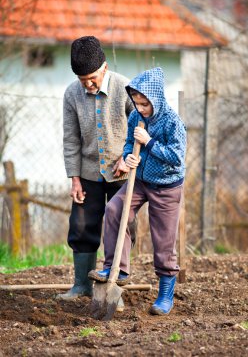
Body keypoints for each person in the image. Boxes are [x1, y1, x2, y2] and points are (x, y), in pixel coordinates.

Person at [89, 67, 187, 315]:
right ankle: (115, 267)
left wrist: (149, 142)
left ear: (156, 99)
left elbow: (176, 158)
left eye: (145, 104)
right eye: (137, 103)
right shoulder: (136, 118)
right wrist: (128, 158)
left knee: (163, 240)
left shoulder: (172, 122)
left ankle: (165, 292)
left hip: (166, 186)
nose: (140, 108)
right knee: (114, 209)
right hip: (141, 180)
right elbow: (127, 146)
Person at [57, 36, 134, 300]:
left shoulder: (126, 88)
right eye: (82, 80)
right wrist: (74, 178)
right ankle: (81, 285)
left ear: (104, 68)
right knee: (81, 226)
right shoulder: (71, 94)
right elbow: (71, 138)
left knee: (120, 227)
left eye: (92, 78)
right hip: (88, 173)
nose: (88, 84)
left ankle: (114, 289)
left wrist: (127, 157)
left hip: (121, 175)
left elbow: (140, 129)